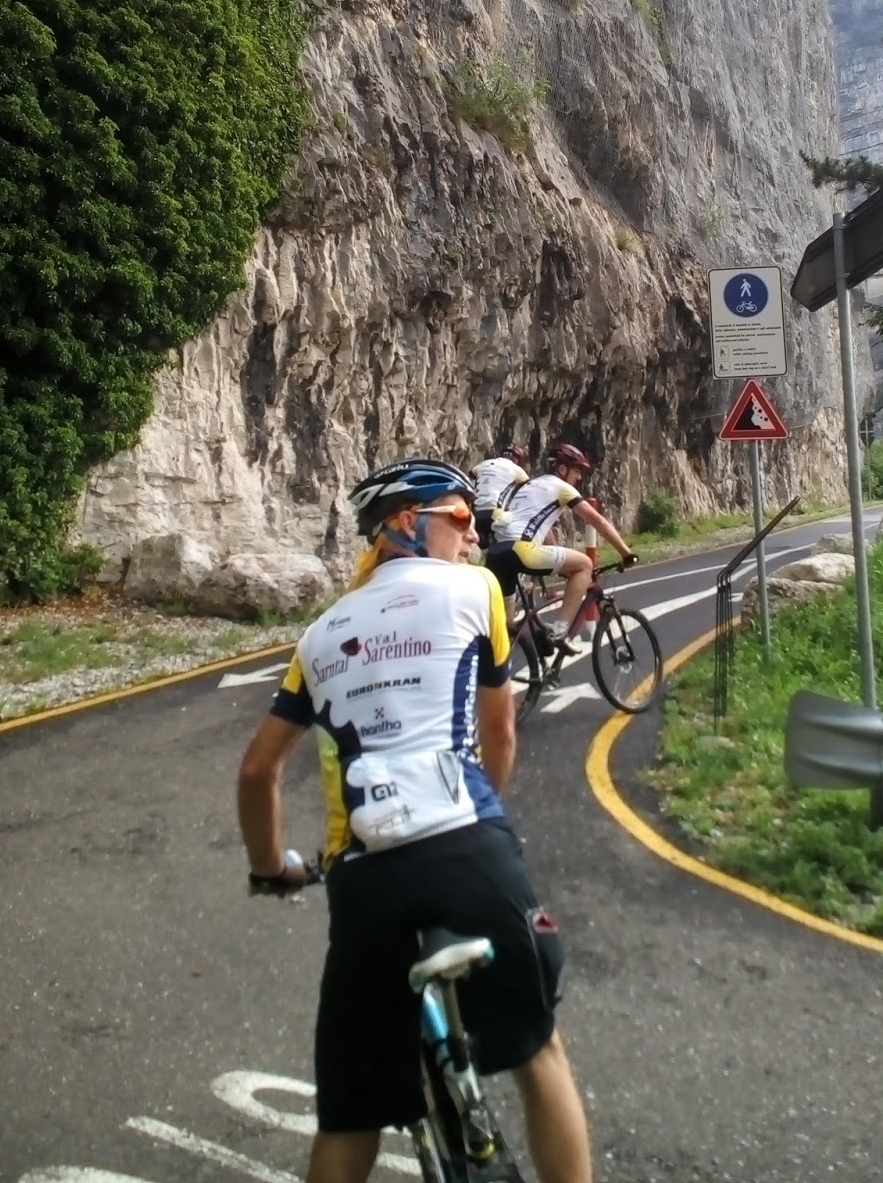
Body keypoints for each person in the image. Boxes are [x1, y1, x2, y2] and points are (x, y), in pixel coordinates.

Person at [236, 456, 592, 1183]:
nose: (471, 536)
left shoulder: (319, 634)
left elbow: (257, 770)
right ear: (407, 522)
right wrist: (486, 818)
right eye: (460, 520)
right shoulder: (476, 590)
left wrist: (272, 868)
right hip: (468, 845)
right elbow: (501, 734)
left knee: (350, 1116)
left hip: (364, 879)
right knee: (537, 1049)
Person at [485, 440, 637, 639]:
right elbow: (597, 520)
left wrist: (561, 563)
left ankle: (506, 667)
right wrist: (626, 553)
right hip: (521, 551)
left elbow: (541, 529)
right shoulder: (562, 488)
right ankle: (559, 630)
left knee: (505, 632)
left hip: (496, 554)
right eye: (577, 471)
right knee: (584, 564)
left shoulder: (528, 485)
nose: (579, 477)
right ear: (563, 469)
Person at [471, 443, 530, 550]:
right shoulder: (516, 469)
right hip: (496, 513)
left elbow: (472, 473)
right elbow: (527, 488)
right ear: (517, 460)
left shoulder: (484, 464)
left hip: (475, 512)